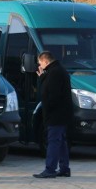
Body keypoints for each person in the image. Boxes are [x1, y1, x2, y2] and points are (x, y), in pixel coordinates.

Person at [33, 51, 73, 179]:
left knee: (53, 141)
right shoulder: (58, 70)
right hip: (62, 113)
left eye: (40, 63)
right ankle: (64, 168)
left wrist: (48, 111)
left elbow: (49, 93)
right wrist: (43, 77)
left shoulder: (53, 73)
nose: (40, 66)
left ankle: (50, 169)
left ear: (45, 61)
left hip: (55, 114)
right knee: (60, 141)